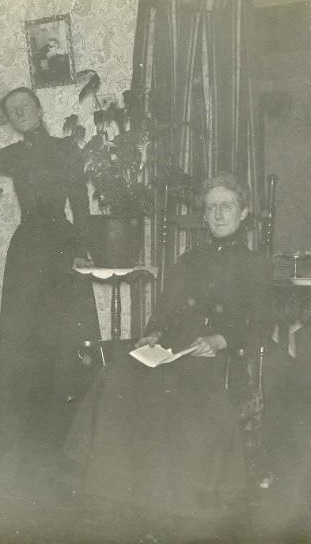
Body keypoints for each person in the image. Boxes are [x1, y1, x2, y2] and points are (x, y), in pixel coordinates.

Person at [64, 173, 273, 535]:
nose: (219, 215)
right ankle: (115, 489)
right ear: (204, 216)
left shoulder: (255, 265)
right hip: (176, 348)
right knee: (118, 376)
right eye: (211, 208)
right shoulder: (189, 260)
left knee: (183, 396)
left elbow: (260, 323)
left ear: (244, 213)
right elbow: (164, 312)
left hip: (221, 353)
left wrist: (221, 340)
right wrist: (154, 335)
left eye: (227, 207)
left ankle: (174, 498)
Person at [0, 87, 100, 483]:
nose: (19, 113)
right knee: (24, 343)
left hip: (63, 249)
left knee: (65, 343)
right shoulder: (14, 154)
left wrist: (83, 249)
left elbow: (81, 205)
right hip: (27, 254)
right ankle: (22, 444)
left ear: (39, 110)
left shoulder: (66, 149)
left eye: (25, 106)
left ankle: (65, 444)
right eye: (12, 110)